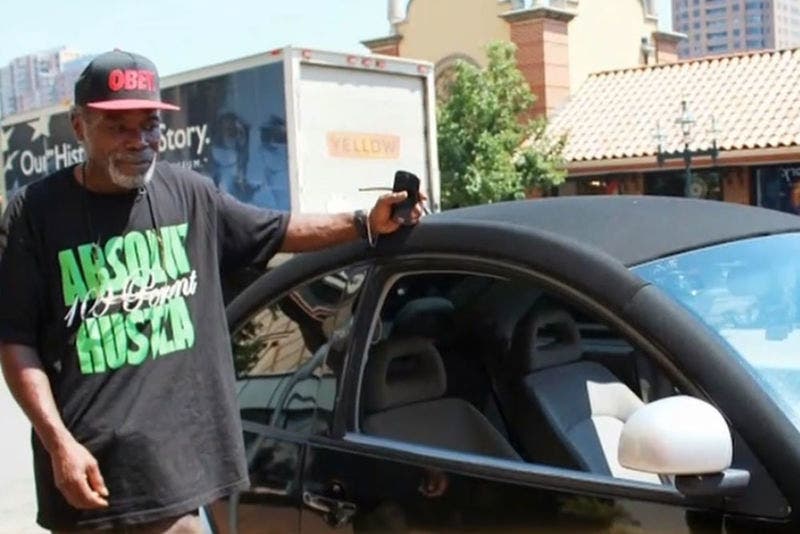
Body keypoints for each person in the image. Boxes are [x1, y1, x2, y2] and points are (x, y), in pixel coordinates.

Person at [0, 49, 424, 533]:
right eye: (118, 127)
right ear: (79, 126)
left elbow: (278, 230)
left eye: (149, 126)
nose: (139, 141)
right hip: (91, 480)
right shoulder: (34, 214)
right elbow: (15, 341)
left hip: (177, 475)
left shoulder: (189, 195)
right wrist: (58, 442)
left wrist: (364, 223)